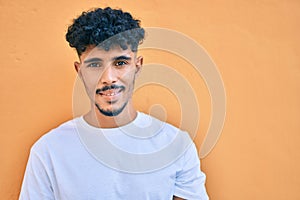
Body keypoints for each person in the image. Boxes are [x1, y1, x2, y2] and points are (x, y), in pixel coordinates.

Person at [19, 7, 209, 200]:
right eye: (94, 65)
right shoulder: (48, 151)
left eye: (120, 63)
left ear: (137, 66)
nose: (108, 78)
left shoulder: (176, 145)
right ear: (79, 71)